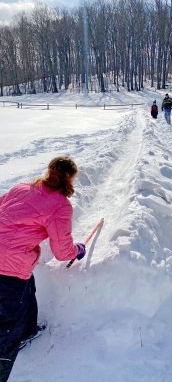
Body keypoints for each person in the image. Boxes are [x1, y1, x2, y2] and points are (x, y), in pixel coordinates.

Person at [0, 156, 86, 380]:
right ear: (71, 178)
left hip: (10, 260)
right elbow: (61, 250)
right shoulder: (59, 205)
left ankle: (28, 331)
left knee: (27, 290)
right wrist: (77, 250)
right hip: (8, 266)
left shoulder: (22, 187)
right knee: (8, 324)